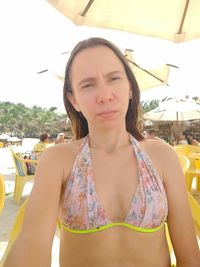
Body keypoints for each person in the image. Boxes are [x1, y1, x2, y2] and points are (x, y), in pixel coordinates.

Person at [4, 37, 200, 267]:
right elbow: (33, 241)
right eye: (88, 85)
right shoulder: (59, 160)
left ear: (129, 87)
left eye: (114, 78)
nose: (104, 95)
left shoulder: (162, 156)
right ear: (73, 99)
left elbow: (189, 254)